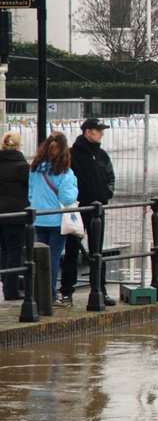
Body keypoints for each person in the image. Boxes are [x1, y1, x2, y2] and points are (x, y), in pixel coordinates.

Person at [62, 118, 116, 306]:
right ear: (87, 132)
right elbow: (65, 181)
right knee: (71, 250)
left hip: (97, 210)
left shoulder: (102, 155)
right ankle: (67, 292)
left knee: (97, 251)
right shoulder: (71, 155)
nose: (101, 133)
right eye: (98, 130)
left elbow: (110, 177)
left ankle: (100, 289)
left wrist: (107, 193)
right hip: (77, 210)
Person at [27, 132, 78, 307]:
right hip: (56, 221)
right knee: (53, 258)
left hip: (38, 219)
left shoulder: (35, 169)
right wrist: (75, 186)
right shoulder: (65, 172)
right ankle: (50, 297)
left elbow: (30, 193)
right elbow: (67, 198)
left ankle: (37, 295)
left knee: (39, 257)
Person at [0, 131, 29, 301]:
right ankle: (11, 290)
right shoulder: (21, 166)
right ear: (18, 146)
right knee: (15, 251)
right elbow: (30, 188)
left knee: (4, 250)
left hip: (0, 214)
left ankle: (6, 283)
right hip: (16, 214)